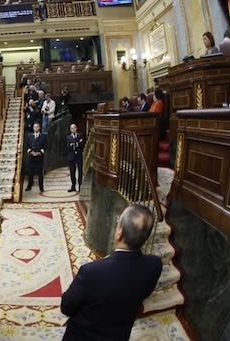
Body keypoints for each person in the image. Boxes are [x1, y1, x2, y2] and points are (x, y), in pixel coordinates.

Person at [61, 204, 162, 340]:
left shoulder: (91, 272)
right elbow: (145, 293)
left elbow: (66, 307)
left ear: (119, 233)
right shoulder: (154, 265)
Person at [25, 122, 46, 193]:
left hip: (39, 158)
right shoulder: (29, 136)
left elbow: (45, 147)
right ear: (33, 128)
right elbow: (27, 146)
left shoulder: (43, 136)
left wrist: (39, 152)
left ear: (39, 128)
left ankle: (41, 187)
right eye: (35, 127)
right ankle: (29, 186)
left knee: (40, 173)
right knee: (30, 173)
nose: (36, 128)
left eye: (37, 127)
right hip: (31, 157)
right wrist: (31, 152)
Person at [66, 123, 84, 192]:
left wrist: (73, 144)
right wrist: (77, 144)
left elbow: (81, 144)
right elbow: (68, 147)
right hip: (71, 157)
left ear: (76, 128)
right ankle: (73, 186)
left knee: (80, 171)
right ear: (70, 130)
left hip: (79, 156)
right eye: (71, 128)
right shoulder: (68, 137)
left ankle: (80, 186)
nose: (73, 129)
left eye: (74, 128)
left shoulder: (80, 135)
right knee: (72, 172)